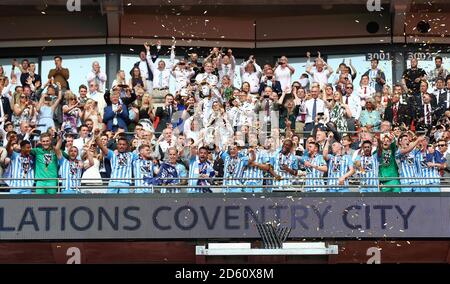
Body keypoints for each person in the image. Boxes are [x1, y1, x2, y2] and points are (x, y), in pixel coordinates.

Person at [94, 129, 138, 193]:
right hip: (113, 182)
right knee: (110, 202)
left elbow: (142, 155)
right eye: (120, 144)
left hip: (125, 183)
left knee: (124, 202)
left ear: (126, 146)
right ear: (117, 145)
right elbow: (101, 146)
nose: (121, 146)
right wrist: (96, 136)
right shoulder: (112, 154)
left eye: (123, 144)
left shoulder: (132, 155)